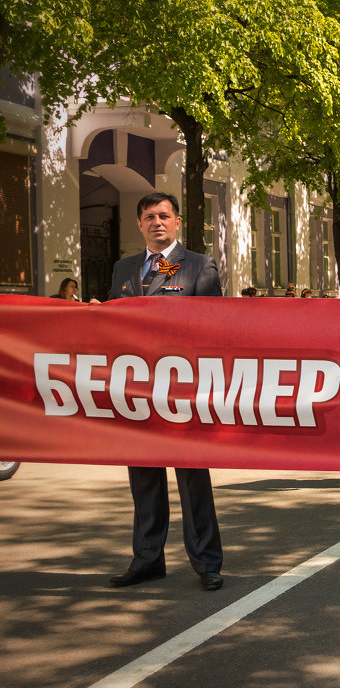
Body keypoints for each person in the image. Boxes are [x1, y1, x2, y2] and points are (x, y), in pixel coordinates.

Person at [105, 191, 224, 591]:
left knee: (192, 478)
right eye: (149, 216)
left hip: (182, 392)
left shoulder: (198, 266)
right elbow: (112, 329)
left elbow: (213, 330)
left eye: (164, 215)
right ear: (139, 224)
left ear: (177, 223)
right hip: (136, 391)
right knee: (143, 478)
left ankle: (207, 563)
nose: (157, 222)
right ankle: (147, 559)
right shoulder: (123, 269)